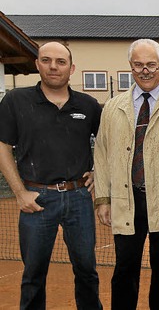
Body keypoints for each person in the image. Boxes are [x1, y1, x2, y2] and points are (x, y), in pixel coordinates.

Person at [0, 42, 102, 309]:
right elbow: (2, 147)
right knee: (33, 274)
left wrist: (98, 172)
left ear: (72, 68)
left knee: (87, 270)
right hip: (36, 199)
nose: (53, 67)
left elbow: (107, 144)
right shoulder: (15, 100)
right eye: (46, 60)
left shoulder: (89, 105)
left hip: (79, 198)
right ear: (37, 64)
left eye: (60, 61)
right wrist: (20, 193)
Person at [93, 39, 159, 309]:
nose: (145, 70)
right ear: (130, 66)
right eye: (139, 64)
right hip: (125, 200)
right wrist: (103, 198)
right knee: (124, 270)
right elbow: (102, 153)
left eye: (151, 64)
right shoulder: (112, 107)